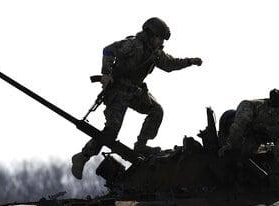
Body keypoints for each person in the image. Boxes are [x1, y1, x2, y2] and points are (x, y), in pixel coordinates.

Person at [72, 17, 202, 179]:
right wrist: (106, 73)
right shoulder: (133, 45)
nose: (161, 42)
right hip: (118, 91)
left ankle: (140, 146)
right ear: (150, 35)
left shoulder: (155, 53)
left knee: (156, 111)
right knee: (111, 132)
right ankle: (82, 157)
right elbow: (108, 50)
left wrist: (190, 62)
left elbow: (170, 64)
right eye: (159, 38)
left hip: (134, 92)